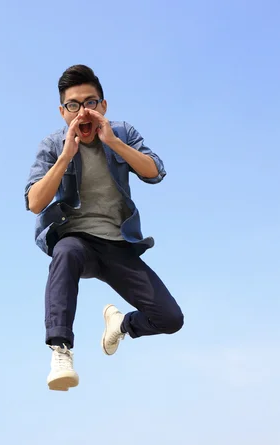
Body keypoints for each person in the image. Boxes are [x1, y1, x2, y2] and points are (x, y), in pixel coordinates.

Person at [25, 65, 184, 391]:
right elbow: (35, 202)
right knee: (65, 250)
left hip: (117, 246)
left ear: (103, 106)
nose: (83, 111)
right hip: (77, 240)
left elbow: (155, 171)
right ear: (62, 112)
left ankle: (121, 324)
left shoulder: (122, 132)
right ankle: (61, 349)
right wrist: (65, 158)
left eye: (91, 102)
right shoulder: (53, 145)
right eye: (73, 105)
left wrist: (112, 141)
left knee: (170, 318)